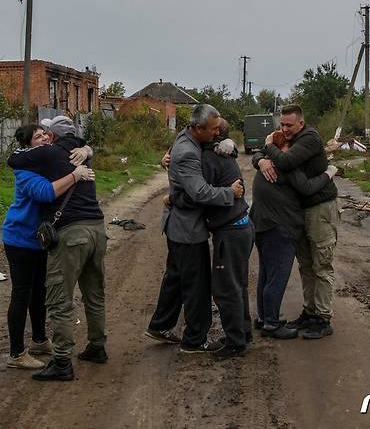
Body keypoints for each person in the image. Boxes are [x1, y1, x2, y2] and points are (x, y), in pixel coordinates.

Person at [8, 116, 107, 381]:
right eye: (39, 135)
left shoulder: (49, 154)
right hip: (97, 228)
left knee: (59, 298)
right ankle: (98, 347)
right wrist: (86, 153)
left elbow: (13, 159)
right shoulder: (83, 155)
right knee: (94, 293)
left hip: (72, 232)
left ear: (53, 136)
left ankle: (62, 362)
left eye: (46, 134)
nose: (44, 138)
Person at [145, 104, 244, 354]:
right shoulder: (188, 152)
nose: (215, 133)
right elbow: (200, 192)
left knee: (176, 279)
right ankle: (195, 340)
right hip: (187, 230)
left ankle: (160, 325)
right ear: (198, 128)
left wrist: (228, 143)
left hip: (178, 226)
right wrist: (229, 193)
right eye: (212, 130)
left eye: (218, 130)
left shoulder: (186, 136)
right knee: (196, 285)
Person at [169, 118, 253, 360]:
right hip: (241, 227)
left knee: (225, 290)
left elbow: (198, 195)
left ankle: (236, 343)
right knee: (238, 285)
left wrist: (174, 199)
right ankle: (243, 333)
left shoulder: (207, 159)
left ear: (211, 135)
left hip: (230, 232)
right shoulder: (223, 155)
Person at [255, 104, 339, 339]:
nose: (285, 128)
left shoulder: (310, 137)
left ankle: (323, 318)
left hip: (320, 208)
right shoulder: (287, 139)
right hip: (302, 211)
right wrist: (261, 159)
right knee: (305, 263)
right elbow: (268, 155)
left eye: (289, 125)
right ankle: (310, 312)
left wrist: (269, 148)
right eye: (282, 125)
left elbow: (286, 162)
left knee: (321, 264)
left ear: (301, 123)